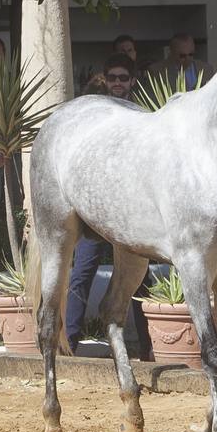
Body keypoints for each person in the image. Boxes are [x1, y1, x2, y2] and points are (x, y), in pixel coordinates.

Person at [63, 54, 153, 357]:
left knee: (139, 278)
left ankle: (148, 348)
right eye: (112, 78)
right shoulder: (94, 115)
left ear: (132, 81)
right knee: (82, 272)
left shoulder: (144, 115)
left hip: (131, 210)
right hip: (96, 209)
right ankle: (70, 343)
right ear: (105, 79)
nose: (117, 83)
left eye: (123, 78)